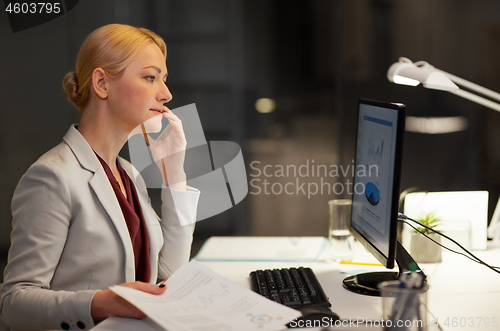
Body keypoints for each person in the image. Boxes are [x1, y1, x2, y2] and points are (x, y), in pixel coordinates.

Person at [0, 23, 199, 331]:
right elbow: (14, 303)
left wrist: (174, 172)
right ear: (102, 83)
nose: (166, 93)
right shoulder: (52, 176)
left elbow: (169, 273)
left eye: (163, 79)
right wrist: (100, 303)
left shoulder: (128, 173)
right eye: (150, 77)